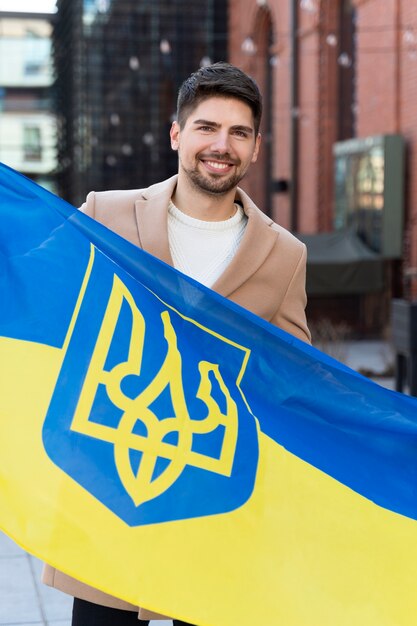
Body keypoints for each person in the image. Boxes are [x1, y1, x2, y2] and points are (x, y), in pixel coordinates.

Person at [42, 62, 311, 625]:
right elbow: (47, 311)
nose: (222, 145)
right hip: (112, 488)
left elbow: (291, 376)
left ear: (257, 147)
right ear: (176, 135)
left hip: (214, 497)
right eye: (207, 128)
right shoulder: (105, 214)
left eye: (239, 133)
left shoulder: (285, 255)